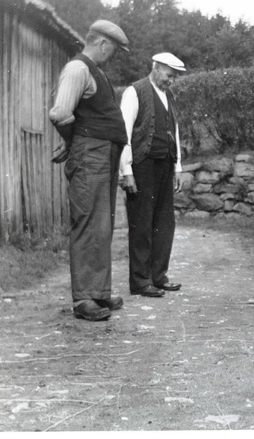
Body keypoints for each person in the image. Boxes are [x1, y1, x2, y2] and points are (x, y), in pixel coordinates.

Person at [49, 20, 130, 321]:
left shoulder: (95, 71)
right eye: (115, 50)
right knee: (86, 222)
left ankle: (99, 292)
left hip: (103, 153)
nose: (115, 56)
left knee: (101, 224)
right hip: (91, 155)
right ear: (102, 44)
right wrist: (73, 144)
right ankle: (84, 300)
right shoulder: (78, 69)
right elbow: (60, 113)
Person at [119, 53, 187, 297]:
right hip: (142, 165)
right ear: (156, 68)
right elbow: (123, 133)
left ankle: (158, 277)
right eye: (169, 76)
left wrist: (177, 166)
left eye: (174, 77)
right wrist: (126, 170)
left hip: (165, 165)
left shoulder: (169, 96)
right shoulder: (134, 92)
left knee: (164, 223)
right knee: (141, 223)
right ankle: (140, 281)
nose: (171, 81)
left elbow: (174, 131)